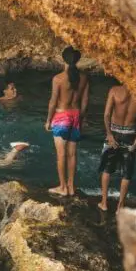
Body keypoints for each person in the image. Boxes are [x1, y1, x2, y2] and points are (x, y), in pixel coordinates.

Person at [97, 84, 136, 212]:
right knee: (127, 174)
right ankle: (120, 207)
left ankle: (104, 203)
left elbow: (106, 115)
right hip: (130, 135)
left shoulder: (114, 90)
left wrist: (109, 134)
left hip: (114, 133)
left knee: (107, 170)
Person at [44, 46, 89, 196]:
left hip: (61, 117)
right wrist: (80, 120)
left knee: (61, 155)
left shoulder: (58, 79)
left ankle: (62, 187)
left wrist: (48, 120)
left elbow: (52, 101)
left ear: (63, 59)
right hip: (76, 115)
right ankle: (71, 186)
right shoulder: (83, 78)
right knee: (72, 154)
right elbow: (84, 102)